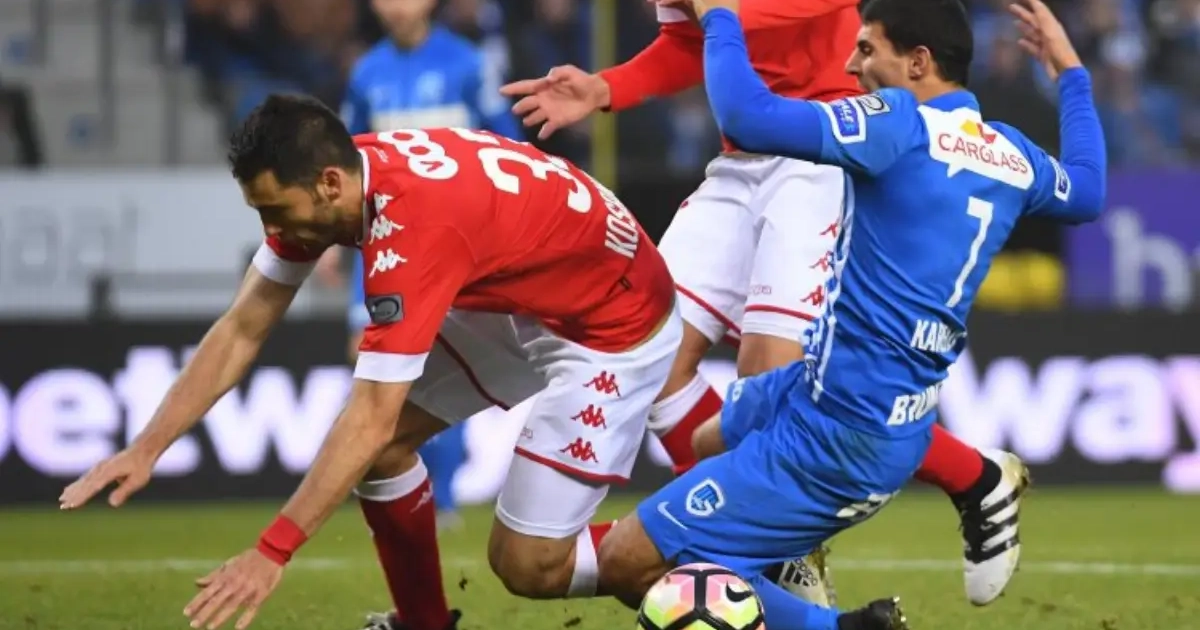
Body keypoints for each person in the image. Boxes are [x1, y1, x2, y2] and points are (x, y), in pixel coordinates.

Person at [59, 97, 682, 630]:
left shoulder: (412, 229)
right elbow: (243, 327)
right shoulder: (344, 176)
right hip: (528, 293)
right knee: (380, 456)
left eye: (276, 211)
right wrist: (147, 447)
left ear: (329, 185)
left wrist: (273, 551)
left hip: (612, 322)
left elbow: (370, 418)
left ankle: (696, 557)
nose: (273, 229)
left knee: (529, 566)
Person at [593, 0, 1106, 629]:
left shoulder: (898, 126)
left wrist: (720, 14)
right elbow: (1088, 190)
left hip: (836, 437)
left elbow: (745, 116)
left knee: (629, 563)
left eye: (867, 50)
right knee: (707, 439)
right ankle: (969, 479)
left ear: (918, 62)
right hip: (840, 396)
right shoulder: (1010, 152)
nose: (850, 65)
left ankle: (836, 625)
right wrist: (1071, 74)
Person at [314, 0, 525, 534]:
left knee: (443, 364)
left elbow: (510, 146)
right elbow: (345, 165)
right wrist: (332, 243)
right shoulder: (367, 73)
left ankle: (442, 497)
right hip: (387, 244)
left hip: (459, 247)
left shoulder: (469, 64)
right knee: (376, 370)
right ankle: (394, 491)